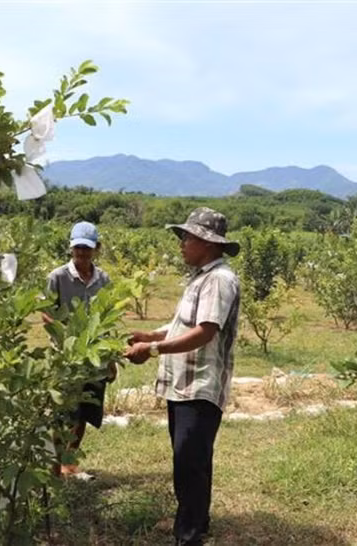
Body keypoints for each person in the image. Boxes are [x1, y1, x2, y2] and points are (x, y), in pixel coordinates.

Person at [124, 207, 240, 546]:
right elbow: (183, 325)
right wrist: (149, 335)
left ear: (207, 242)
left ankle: (187, 537)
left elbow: (205, 332)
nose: (181, 244)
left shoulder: (219, 280)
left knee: (188, 465)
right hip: (184, 386)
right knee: (194, 461)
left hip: (199, 388)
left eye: (187, 238)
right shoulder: (202, 277)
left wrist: (154, 351)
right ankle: (198, 524)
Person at [43, 221, 114, 480]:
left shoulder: (103, 279)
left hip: (94, 358)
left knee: (84, 409)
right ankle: (55, 466)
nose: (82, 253)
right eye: (77, 249)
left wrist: (110, 358)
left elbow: (107, 317)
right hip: (66, 357)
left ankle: (69, 463)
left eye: (87, 248)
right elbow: (47, 314)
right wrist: (66, 339)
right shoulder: (58, 277)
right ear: (71, 249)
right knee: (63, 412)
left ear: (97, 248)